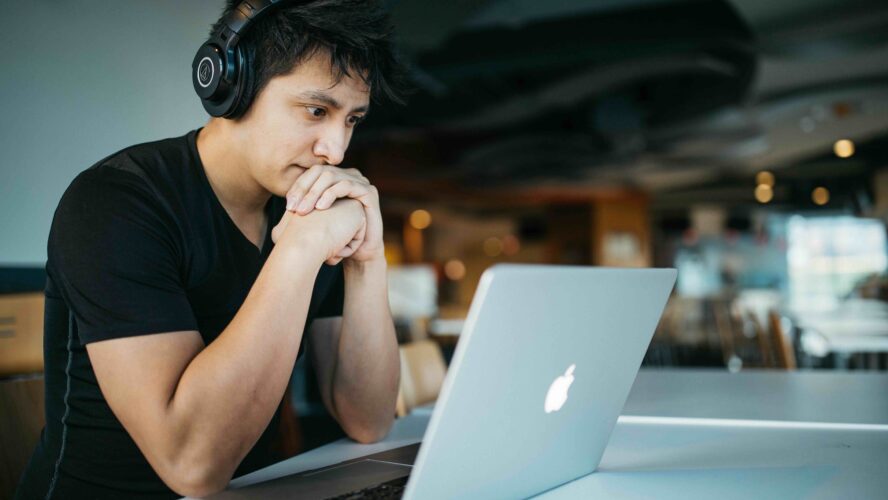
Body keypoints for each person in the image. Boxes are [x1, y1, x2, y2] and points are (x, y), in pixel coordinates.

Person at [16, 1, 406, 498]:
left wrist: (366, 260)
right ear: (230, 86)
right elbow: (191, 465)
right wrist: (300, 250)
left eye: (352, 119)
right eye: (316, 110)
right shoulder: (115, 203)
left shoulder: (306, 207)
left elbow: (368, 420)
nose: (336, 150)